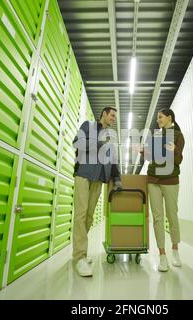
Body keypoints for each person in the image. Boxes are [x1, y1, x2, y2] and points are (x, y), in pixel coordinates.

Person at [72, 106, 122, 277]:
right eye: (112, 115)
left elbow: (113, 159)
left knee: (89, 216)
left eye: (115, 116)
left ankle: (80, 253)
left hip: (99, 179)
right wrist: (99, 143)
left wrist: (117, 178)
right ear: (104, 115)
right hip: (84, 174)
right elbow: (76, 143)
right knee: (80, 214)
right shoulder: (88, 126)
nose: (114, 118)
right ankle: (80, 257)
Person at [140, 108, 185, 272]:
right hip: (153, 180)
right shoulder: (155, 136)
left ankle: (175, 250)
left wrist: (173, 151)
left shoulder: (178, 136)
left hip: (171, 180)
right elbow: (151, 157)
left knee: (172, 215)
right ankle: (162, 255)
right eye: (158, 117)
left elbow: (178, 159)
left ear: (169, 118)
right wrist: (144, 152)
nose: (158, 119)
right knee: (158, 217)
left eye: (160, 117)